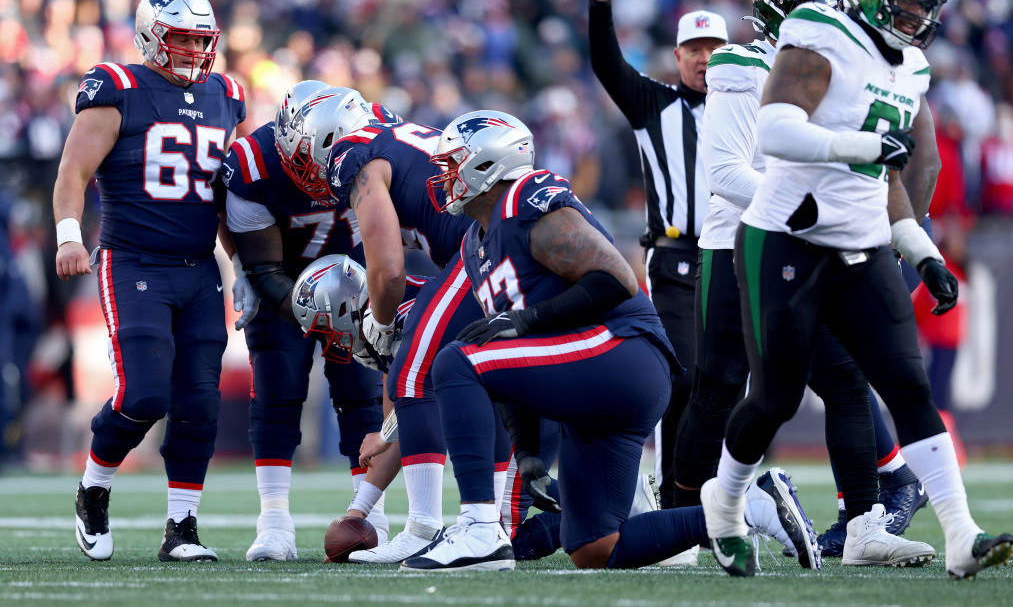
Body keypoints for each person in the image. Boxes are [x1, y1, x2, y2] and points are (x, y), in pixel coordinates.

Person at [699, 0, 1013, 579]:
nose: (917, 16)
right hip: (784, 238)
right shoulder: (821, 34)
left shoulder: (910, 67)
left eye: (926, 5)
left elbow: (888, 177)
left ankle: (961, 533)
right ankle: (724, 500)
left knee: (909, 385)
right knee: (775, 399)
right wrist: (864, 143)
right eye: (907, 1)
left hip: (862, 242)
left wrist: (921, 251)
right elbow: (776, 131)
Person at [402, 109, 818, 574]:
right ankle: (745, 509)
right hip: (595, 380)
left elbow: (617, 278)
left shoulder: (524, 200)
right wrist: (528, 453)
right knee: (595, 548)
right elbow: (503, 371)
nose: (443, 177)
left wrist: (528, 319)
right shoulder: (474, 246)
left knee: (455, 361)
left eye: (451, 164)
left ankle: (479, 529)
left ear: (488, 163)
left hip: (623, 351)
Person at [677, 0, 933, 566]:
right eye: (813, 5)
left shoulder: (837, 60)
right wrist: (801, 206)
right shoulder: (745, 64)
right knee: (716, 386)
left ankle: (865, 526)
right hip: (740, 240)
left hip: (807, 244)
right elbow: (724, 174)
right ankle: (681, 525)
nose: (829, 15)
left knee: (845, 382)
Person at [54, 0, 246, 561]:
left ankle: (181, 528)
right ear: (150, 38)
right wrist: (68, 237)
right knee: (143, 395)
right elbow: (72, 171)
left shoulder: (228, 95)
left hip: (198, 268)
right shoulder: (119, 88)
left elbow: (225, 199)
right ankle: (94, 486)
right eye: (181, 39)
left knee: (200, 403)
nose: (193, 51)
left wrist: (245, 267)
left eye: (200, 40)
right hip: (133, 261)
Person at [281, 89, 512, 564]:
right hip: (506, 235)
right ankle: (501, 521)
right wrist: (361, 502)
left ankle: (427, 526)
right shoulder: (396, 132)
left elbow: (384, 270)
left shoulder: (354, 154)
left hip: (485, 245)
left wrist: (381, 326)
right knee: (495, 381)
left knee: (414, 371)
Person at [222, 83, 405, 560]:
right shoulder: (253, 162)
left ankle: (372, 516)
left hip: (360, 273)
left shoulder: (378, 132)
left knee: (361, 395)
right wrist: (289, 297)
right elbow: (263, 265)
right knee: (277, 388)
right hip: (284, 281)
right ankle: (275, 521)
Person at [579, 0, 726, 523]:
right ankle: (674, 502)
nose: (704, 58)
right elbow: (607, 67)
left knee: (725, 385)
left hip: (733, 258)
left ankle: (710, 500)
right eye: (694, 48)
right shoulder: (654, 104)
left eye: (713, 47)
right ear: (678, 55)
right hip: (676, 261)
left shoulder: (749, 108)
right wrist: (599, 9)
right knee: (684, 378)